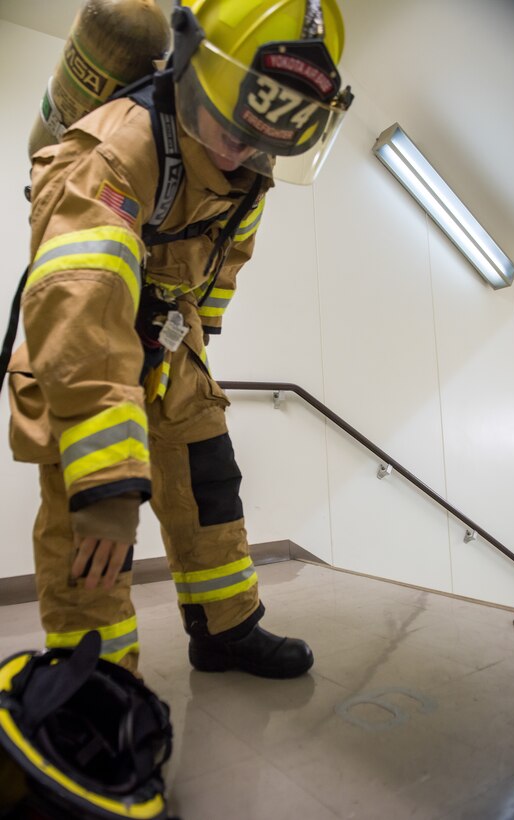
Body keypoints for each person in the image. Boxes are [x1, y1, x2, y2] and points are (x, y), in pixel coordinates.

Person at [6, 0, 352, 682]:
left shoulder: (250, 162)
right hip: (87, 350)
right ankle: (94, 684)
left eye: (260, 141)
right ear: (190, 71)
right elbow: (80, 310)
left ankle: (226, 630)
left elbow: (225, 259)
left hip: (173, 346)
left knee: (208, 487)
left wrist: (199, 335)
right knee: (91, 526)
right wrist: (108, 484)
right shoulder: (108, 153)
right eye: (226, 127)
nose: (238, 151)